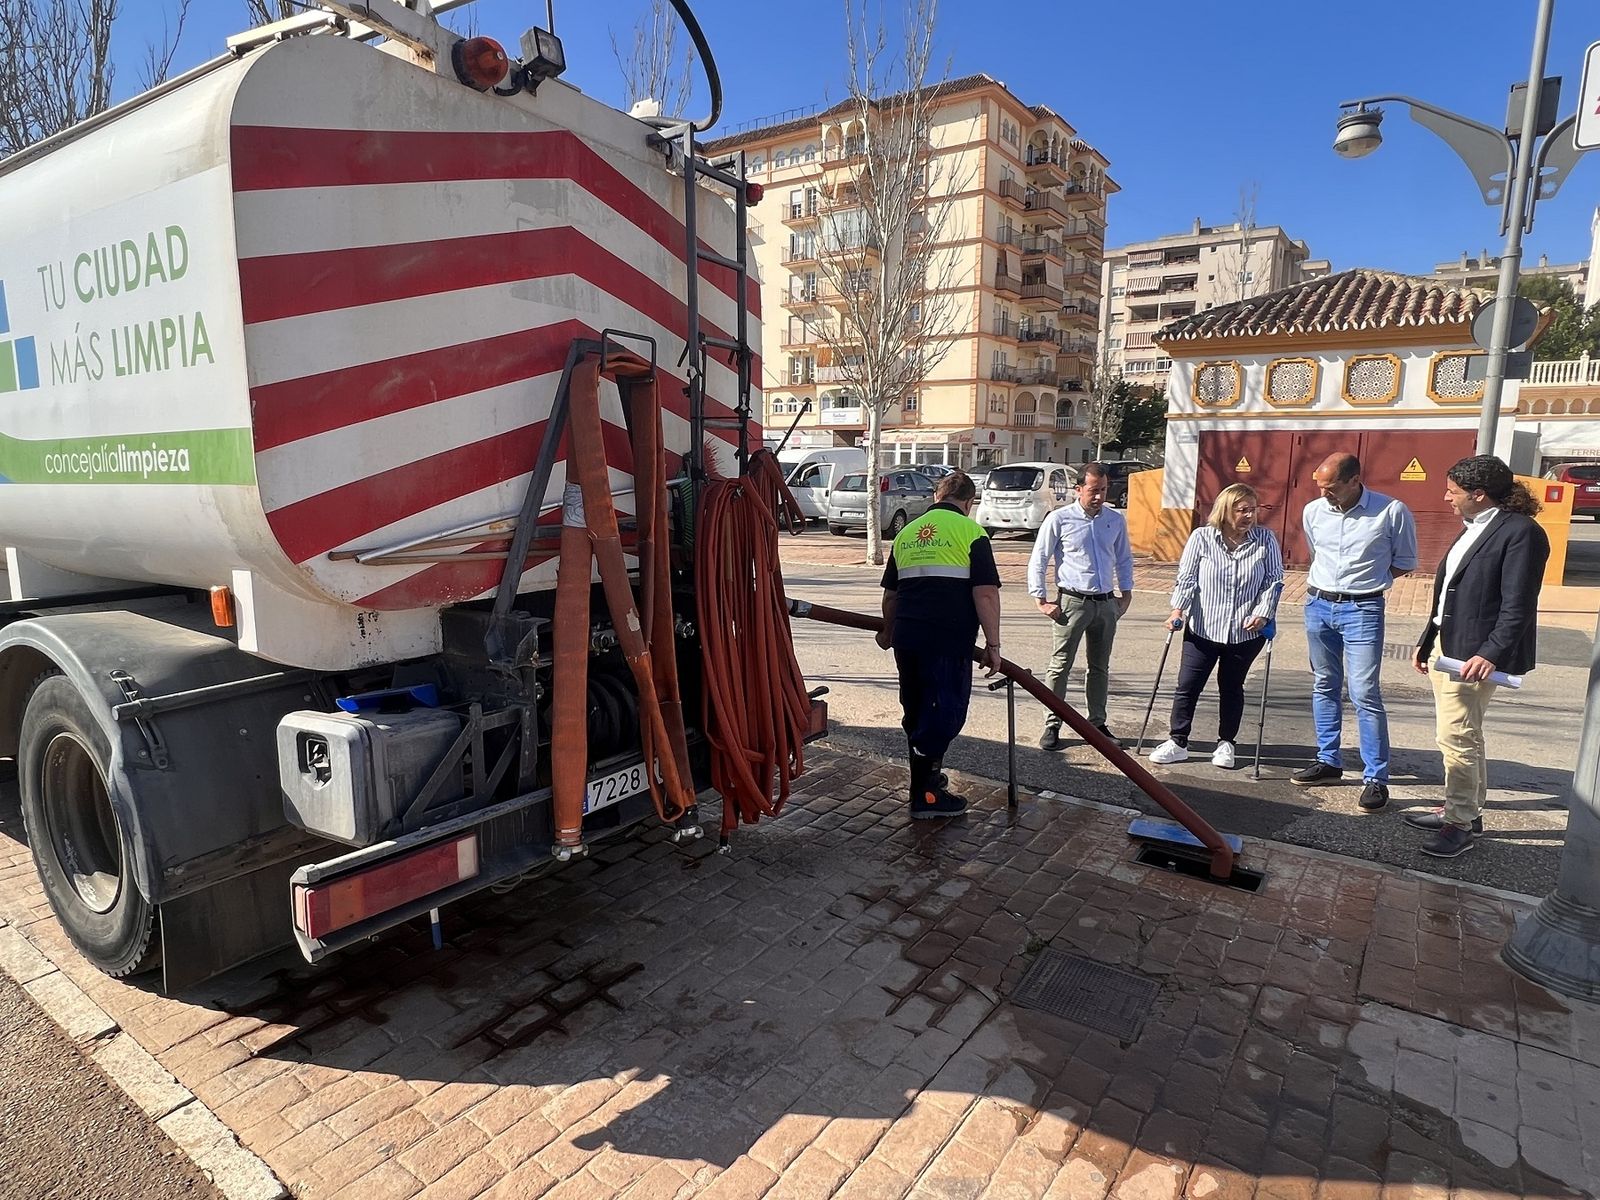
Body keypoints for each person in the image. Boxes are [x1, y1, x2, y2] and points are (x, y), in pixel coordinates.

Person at [1407, 456, 1548, 858]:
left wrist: (1491, 653)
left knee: (1457, 738)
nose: (1446, 498)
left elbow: (1518, 605)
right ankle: (1466, 810)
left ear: (1478, 494)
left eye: (1452, 491)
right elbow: (1449, 593)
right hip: (1447, 645)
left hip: (1473, 656)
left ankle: (1459, 825)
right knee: (1463, 734)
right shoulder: (1472, 528)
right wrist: (1427, 638)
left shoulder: (1521, 534)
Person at [1294, 452, 1417, 811]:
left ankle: (1376, 778)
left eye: (1331, 488)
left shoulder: (1391, 511)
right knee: (1323, 683)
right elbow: (1317, 553)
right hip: (1317, 604)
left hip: (1363, 608)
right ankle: (1328, 761)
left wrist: (1368, 583)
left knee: (1364, 692)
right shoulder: (1314, 512)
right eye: (1320, 487)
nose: (1324, 495)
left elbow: (1404, 561)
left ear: (1354, 481)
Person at [876, 471, 1002, 819]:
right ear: (968, 502)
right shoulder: (972, 533)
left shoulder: (906, 534)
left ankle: (926, 781)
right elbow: (986, 594)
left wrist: (888, 632)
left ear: (936, 497)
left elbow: (891, 595)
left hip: (908, 640)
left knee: (917, 712)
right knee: (943, 713)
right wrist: (993, 644)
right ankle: (926, 797)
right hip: (947, 642)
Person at [1148, 483, 1284, 769]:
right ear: (1225, 510)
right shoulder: (1202, 538)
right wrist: (1177, 610)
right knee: (1187, 686)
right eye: (1242, 510)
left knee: (1231, 686)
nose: (1249, 515)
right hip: (1203, 629)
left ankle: (1226, 743)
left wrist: (1263, 613)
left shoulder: (1265, 539)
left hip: (1245, 632)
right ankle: (1178, 741)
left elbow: (1273, 580)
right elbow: (1187, 578)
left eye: (1252, 509)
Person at [1028, 462, 1135, 750]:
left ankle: (1097, 723)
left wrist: (1125, 594)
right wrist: (1041, 599)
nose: (1098, 496)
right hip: (1072, 602)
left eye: (1102, 490)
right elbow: (1039, 558)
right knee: (1060, 665)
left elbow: (1124, 558)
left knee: (1099, 666)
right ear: (1078, 490)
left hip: (1105, 603)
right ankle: (1052, 723)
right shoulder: (1060, 519)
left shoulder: (1114, 520)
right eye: (1092, 491)